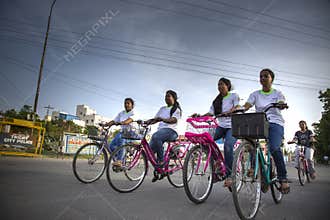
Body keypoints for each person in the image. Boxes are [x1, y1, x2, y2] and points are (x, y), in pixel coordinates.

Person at [242, 68, 290, 194]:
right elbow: (247, 105)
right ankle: (255, 168)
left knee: (274, 147)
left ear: (271, 79)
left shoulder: (278, 93)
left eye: (266, 76)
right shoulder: (255, 94)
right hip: (260, 122)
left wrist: (280, 104)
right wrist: (240, 108)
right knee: (250, 142)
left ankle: (283, 177)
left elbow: (281, 101)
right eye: (261, 76)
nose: (263, 78)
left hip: (275, 123)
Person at [193, 77, 240, 187]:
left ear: (228, 86)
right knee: (205, 140)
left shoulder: (234, 96)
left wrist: (230, 111)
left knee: (228, 146)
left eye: (222, 84)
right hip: (221, 126)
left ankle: (230, 175)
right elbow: (210, 113)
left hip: (233, 126)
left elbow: (238, 106)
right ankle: (218, 167)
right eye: (218, 85)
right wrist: (200, 116)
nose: (219, 86)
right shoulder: (216, 101)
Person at [145, 90, 182, 182]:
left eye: (168, 96)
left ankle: (161, 161)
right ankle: (160, 170)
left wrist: (162, 119)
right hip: (160, 132)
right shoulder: (162, 109)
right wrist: (146, 122)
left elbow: (173, 120)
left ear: (174, 98)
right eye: (165, 96)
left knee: (156, 136)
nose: (166, 98)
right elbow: (155, 119)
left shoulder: (176, 109)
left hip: (171, 132)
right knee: (148, 153)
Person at [106, 98, 136, 167]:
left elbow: (129, 120)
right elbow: (114, 121)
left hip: (131, 132)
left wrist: (122, 122)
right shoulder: (121, 113)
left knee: (121, 138)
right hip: (122, 132)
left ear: (132, 105)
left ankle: (120, 160)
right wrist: (107, 124)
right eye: (125, 103)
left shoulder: (133, 113)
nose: (126, 105)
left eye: (128, 103)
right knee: (111, 146)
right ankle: (122, 154)